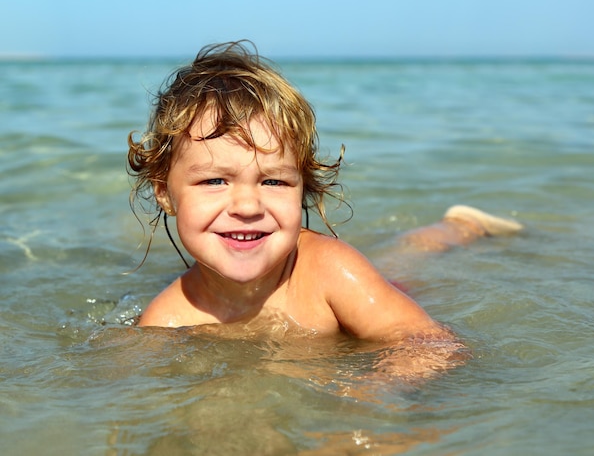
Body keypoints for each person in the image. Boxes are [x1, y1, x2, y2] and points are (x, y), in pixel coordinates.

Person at [127, 41, 522, 341]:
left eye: (274, 181)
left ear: (303, 189)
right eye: (215, 180)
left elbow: (431, 346)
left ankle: (458, 225)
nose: (247, 205)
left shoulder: (332, 272)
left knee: (410, 258)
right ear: (164, 192)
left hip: (369, 288)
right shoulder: (167, 319)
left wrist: (370, 397)